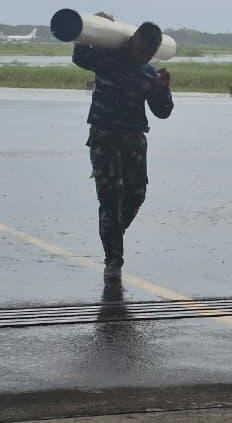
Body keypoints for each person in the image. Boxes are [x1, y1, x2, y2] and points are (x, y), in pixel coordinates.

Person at [72, 14, 173, 278]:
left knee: (136, 195)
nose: (144, 57)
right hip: (104, 137)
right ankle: (113, 260)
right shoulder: (107, 59)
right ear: (131, 42)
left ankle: (112, 234)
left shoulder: (149, 73)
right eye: (141, 50)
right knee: (110, 198)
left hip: (134, 140)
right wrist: (93, 23)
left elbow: (162, 112)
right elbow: (80, 56)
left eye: (150, 53)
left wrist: (163, 89)